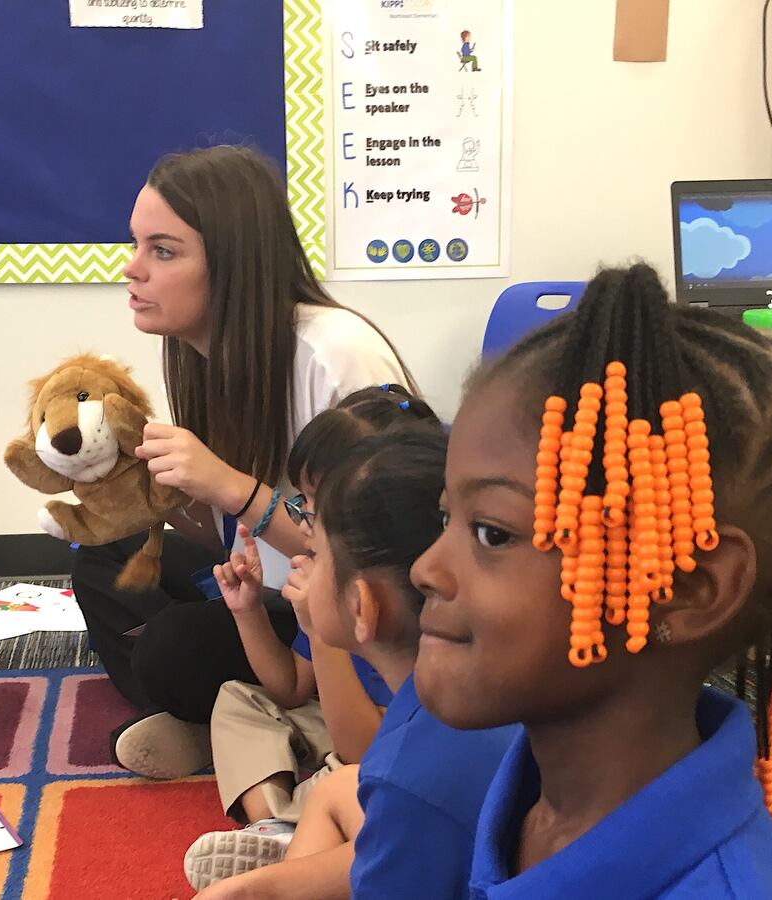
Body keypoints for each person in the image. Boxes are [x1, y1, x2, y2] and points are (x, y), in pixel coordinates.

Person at [412, 264, 772, 896]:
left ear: (687, 588)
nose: (424, 567)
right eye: (445, 516)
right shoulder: (528, 800)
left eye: (492, 533)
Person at [70, 144, 412, 772]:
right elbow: (232, 539)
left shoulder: (336, 354)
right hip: (262, 586)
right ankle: (246, 712)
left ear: (232, 265)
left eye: (163, 251)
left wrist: (229, 485)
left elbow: (382, 555)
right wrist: (149, 498)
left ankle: (256, 718)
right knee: (100, 558)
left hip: (334, 607)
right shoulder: (205, 357)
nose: (132, 269)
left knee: (169, 650)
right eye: (137, 244)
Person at [193, 429, 518, 899]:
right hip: (437, 835)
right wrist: (255, 889)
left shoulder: (405, 775)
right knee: (333, 790)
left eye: (318, 554)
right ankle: (273, 841)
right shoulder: (471, 692)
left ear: (364, 607)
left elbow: (412, 821)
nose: (302, 557)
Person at [182, 388, 442, 889]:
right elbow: (289, 689)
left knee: (339, 779)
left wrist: (320, 633)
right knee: (239, 700)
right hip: (342, 727)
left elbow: (361, 752)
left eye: (315, 518)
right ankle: (278, 827)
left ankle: (288, 836)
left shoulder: (407, 633)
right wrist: (249, 612)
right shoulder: (363, 588)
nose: (302, 535)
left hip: (360, 746)